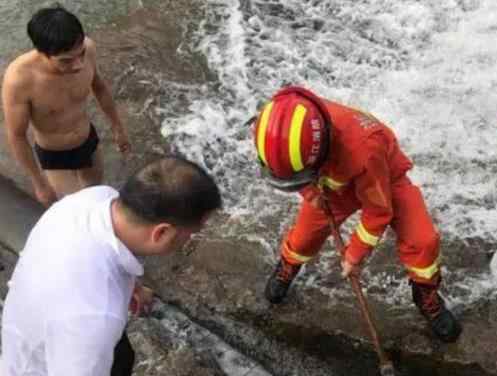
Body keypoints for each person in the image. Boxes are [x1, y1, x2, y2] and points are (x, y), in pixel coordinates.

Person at [252, 86, 462, 343]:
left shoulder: (364, 149)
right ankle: (288, 266)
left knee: (423, 241)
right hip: (329, 181)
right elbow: (290, 171)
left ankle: (425, 295)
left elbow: (378, 211)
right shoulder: (279, 125)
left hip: (383, 177)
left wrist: (354, 256)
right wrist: (310, 193)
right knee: (303, 237)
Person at [1, 156, 222, 375]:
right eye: (192, 233)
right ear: (162, 232)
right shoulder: (95, 316)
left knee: (122, 355)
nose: (191, 239)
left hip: (35, 322)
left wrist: (131, 287)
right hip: (45, 364)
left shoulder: (95, 198)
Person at [1, 4, 130, 208]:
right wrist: (39, 183)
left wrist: (118, 127)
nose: (78, 64)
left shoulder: (88, 49)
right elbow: (17, 136)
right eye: (66, 61)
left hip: (88, 140)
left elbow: (100, 87)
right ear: (42, 52)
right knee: (77, 209)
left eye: (81, 54)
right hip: (55, 155)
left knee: (96, 195)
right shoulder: (19, 79)